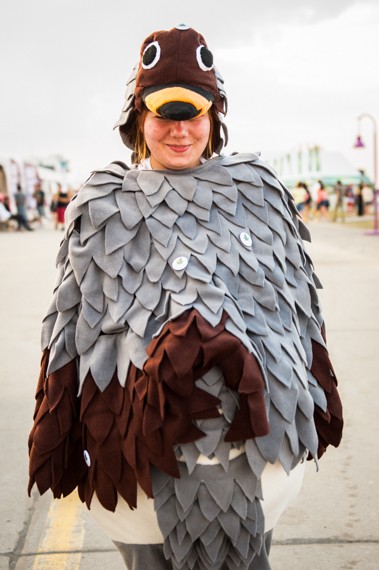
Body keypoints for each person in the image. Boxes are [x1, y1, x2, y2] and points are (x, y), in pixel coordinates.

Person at [28, 25, 343, 570]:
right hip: (141, 453)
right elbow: (70, 324)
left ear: (214, 118)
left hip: (256, 448)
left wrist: (319, 382)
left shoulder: (260, 194)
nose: (179, 131)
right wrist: (56, 422)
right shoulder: (102, 206)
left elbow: (299, 309)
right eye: (164, 115)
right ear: (139, 121)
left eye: (193, 114)